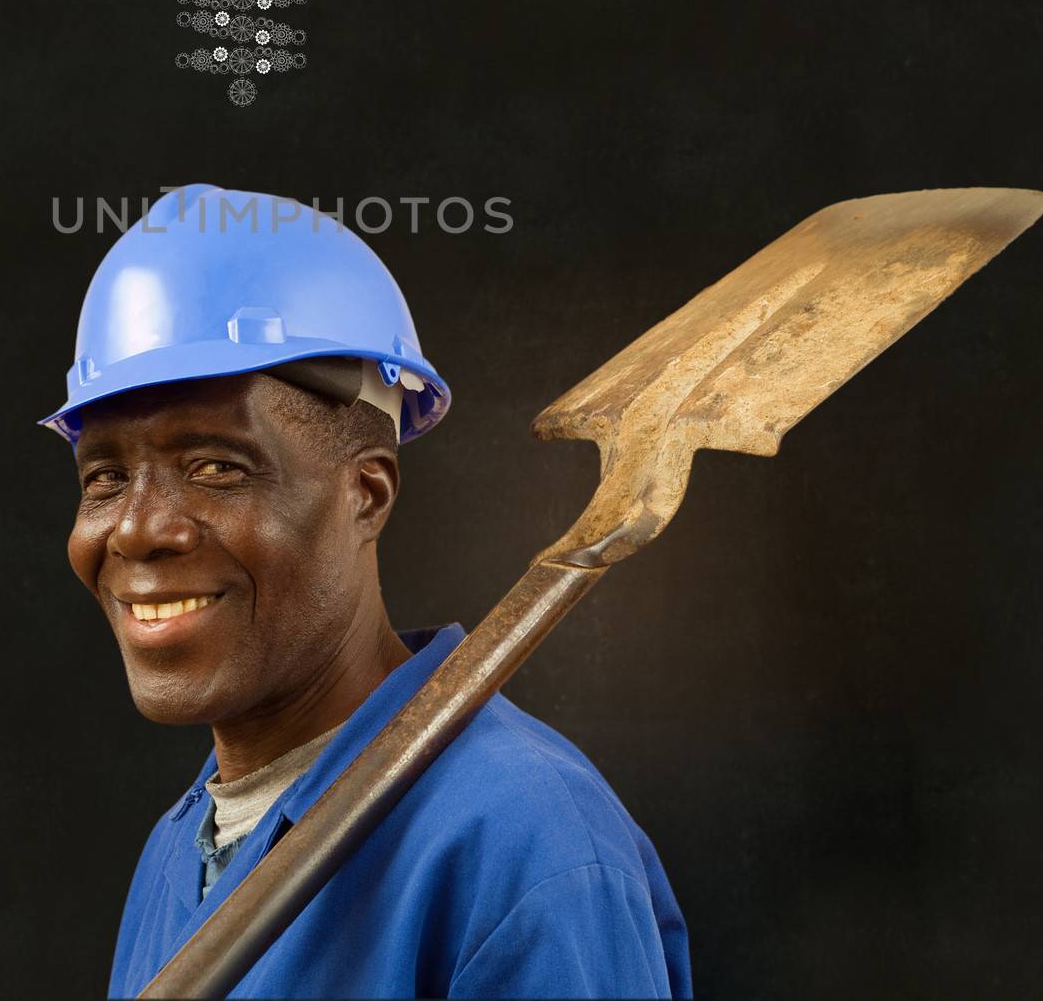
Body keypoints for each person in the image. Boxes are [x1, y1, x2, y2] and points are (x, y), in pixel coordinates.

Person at [43, 185, 691, 999]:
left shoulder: (524, 839)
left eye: (215, 466)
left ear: (368, 493)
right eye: (105, 476)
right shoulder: (180, 851)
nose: (136, 530)